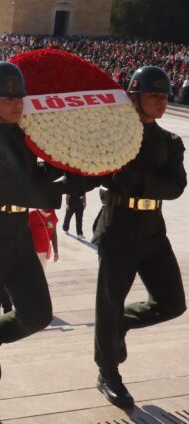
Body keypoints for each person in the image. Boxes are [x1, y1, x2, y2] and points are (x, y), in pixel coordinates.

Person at [0, 61, 69, 423]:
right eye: (6, 98)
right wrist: (63, 188)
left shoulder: (23, 136)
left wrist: (75, 165)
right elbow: (14, 186)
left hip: (16, 233)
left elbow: (39, 171)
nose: (15, 103)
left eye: (19, 97)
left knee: (38, 314)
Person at [92, 66, 187, 409]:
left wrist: (141, 183)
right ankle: (108, 372)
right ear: (134, 97)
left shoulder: (169, 142)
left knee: (173, 302)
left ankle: (121, 323)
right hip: (118, 226)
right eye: (154, 95)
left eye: (165, 96)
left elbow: (177, 185)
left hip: (152, 229)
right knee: (108, 301)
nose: (162, 101)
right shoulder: (114, 136)